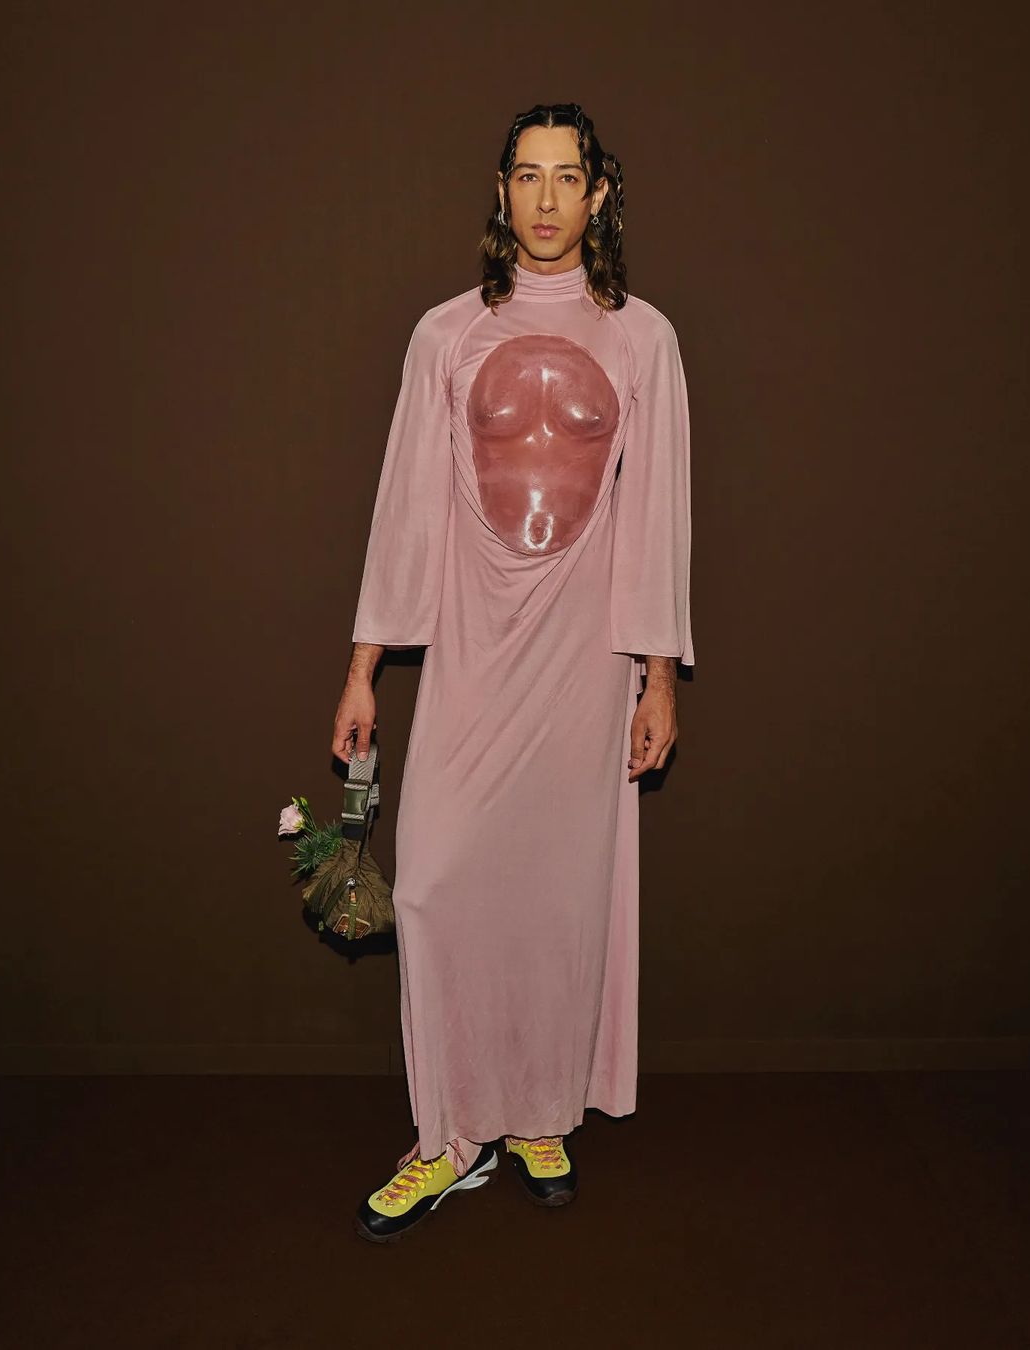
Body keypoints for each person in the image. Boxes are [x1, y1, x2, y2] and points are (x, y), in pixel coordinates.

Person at [332, 102, 694, 1243]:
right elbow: (407, 506)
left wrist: (658, 676)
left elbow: (656, 516)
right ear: (501, 192)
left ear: (598, 195)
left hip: (585, 656)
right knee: (433, 885)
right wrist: (364, 668)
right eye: (527, 176)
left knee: (559, 895)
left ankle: (539, 1115)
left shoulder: (644, 339)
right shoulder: (446, 334)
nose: (546, 199)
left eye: (567, 177)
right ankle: (446, 1136)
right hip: (476, 644)